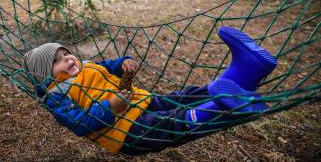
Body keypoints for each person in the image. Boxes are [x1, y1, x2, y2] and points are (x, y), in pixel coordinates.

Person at [22, 27, 277, 154]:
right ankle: (224, 108)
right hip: (128, 132)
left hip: (143, 102)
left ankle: (245, 71)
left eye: (67, 53)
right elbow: (78, 123)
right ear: (45, 74)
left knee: (182, 96)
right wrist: (111, 106)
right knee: (170, 123)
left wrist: (123, 62)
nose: (68, 59)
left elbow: (109, 66)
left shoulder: (88, 67)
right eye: (58, 60)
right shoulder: (56, 97)